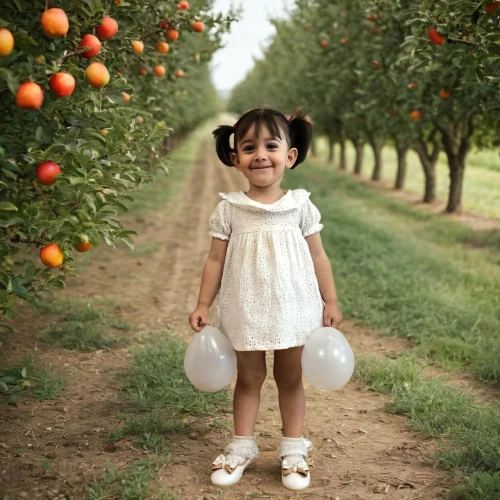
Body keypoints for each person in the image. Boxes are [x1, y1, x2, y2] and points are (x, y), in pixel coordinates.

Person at [188, 108, 342, 491]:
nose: (260, 154)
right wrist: (204, 304)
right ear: (235, 158)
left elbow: (319, 256)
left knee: (290, 378)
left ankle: (292, 449)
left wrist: (331, 301)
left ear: (289, 156)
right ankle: (242, 444)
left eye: (271, 146)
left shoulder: (300, 206)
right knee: (249, 377)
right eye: (249, 147)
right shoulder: (230, 209)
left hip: (295, 307)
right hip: (246, 307)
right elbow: (215, 260)